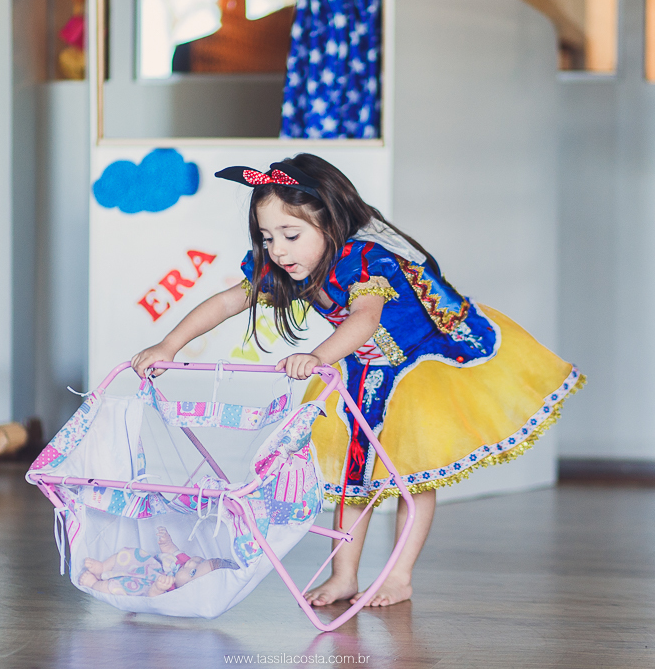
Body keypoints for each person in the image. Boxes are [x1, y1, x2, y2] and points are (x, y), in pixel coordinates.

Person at [131, 154, 583, 607]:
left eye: (291, 235)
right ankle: (344, 575)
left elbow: (364, 320)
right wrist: (169, 345)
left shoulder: (366, 260)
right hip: (365, 371)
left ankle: (398, 577)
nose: (279, 251)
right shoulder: (288, 269)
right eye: (268, 238)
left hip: (419, 367)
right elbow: (229, 302)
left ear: (330, 224)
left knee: (412, 476)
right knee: (353, 477)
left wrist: (317, 356)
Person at [78, 526, 236, 596]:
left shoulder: (177, 595)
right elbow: (173, 551)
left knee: (111, 588)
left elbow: (153, 600)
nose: (190, 563)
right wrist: (167, 544)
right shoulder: (184, 565)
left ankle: (94, 584)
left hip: (139, 586)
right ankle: (103, 567)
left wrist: (158, 589)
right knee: (131, 553)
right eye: (199, 561)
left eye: (193, 571)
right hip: (144, 567)